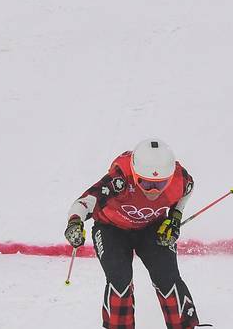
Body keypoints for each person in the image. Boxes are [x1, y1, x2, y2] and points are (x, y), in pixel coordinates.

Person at [65, 139, 202, 329]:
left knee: (167, 275)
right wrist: (74, 223)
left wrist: (175, 217)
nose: (153, 191)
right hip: (111, 228)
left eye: (161, 184)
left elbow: (187, 190)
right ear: (135, 174)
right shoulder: (119, 180)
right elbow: (84, 203)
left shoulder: (181, 179)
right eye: (145, 183)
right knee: (120, 279)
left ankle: (184, 325)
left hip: (152, 227)